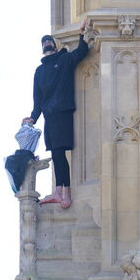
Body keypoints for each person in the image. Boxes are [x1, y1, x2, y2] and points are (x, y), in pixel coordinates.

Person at [22, 18, 90, 209]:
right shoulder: (39, 71)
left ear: (54, 44)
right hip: (49, 116)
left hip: (62, 112)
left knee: (60, 153)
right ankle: (58, 191)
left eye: (48, 41)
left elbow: (82, 52)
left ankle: (64, 193)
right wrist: (32, 118)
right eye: (44, 42)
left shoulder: (64, 59)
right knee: (56, 153)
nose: (46, 43)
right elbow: (37, 101)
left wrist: (82, 33)